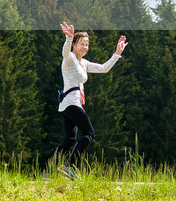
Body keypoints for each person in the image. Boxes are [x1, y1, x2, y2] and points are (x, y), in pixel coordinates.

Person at [51, 22, 127, 179]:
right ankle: (69, 166)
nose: (85, 47)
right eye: (82, 44)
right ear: (74, 45)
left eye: (87, 45)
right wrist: (68, 38)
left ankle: (50, 171)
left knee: (69, 139)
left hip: (68, 104)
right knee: (89, 134)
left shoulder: (83, 63)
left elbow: (104, 68)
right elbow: (65, 52)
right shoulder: (70, 58)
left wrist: (117, 54)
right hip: (71, 102)